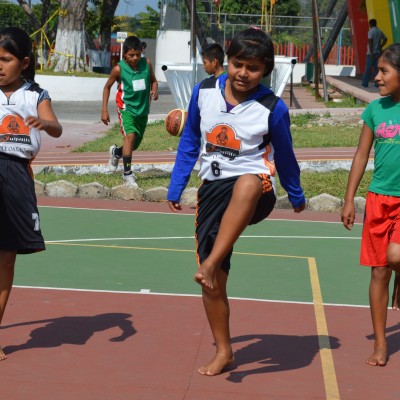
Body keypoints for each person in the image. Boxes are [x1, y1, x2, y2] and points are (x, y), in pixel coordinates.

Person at [167, 28, 306, 376]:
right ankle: (224, 351)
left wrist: (296, 192)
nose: (243, 73)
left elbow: (286, 156)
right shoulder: (203, 93)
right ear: (227, 62)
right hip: (212, 192)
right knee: (214, 284)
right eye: (238, 64)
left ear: (266, 71)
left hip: (256, 190)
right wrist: (176, 184)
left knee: (246, 182)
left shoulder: (272, 108)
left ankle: (211, 261)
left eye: (253, 68)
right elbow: (190, 140)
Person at [0, 27, 62, 360]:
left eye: (5, 59)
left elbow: (56, 126)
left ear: (23, 63)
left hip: (17, 174)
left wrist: (45, 124)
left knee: (6, 258)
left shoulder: (36, 94)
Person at [341, 43, 400, 367]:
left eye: (384, 71)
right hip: (379, 199)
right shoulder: (375, 110)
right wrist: (350, 199)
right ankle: (380, 343)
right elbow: (362, 155)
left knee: (395, 256)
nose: (376, 77)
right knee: (379, 272)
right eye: (377, 70)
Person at [101, 35, 158, 187]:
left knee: (134, 144)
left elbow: (154, 80)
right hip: (126, 108)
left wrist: (155, 90)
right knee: (130, 137)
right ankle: (127, 174)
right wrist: (104, 110)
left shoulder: (146, 64)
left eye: (138, 54)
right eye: (131, 55)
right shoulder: (118, 69)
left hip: (143, 109)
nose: (135, 58)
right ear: (125, 54)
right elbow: (107, 87)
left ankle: (116, 153)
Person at [361, 19, 387, 88]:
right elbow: (385, 39)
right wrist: (381, 46)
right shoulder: (379, 31)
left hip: (371, 53)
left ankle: (365, 83)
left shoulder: (370, 31)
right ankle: (377, 84)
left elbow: (370, 42)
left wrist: (371, 52)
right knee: (376, 69)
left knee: (368, 69)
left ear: (370, 24)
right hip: (378, 52)